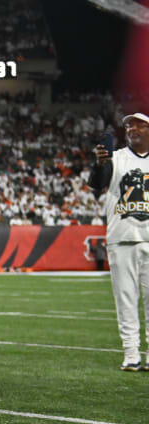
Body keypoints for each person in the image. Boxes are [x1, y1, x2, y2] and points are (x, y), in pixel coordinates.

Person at [89, 113, 149, 371]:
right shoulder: (115, 157)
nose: (131, 128)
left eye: (138, 124)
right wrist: (99, 164)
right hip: (122, 236)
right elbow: (96, 184)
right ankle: (131, 353)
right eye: (128, 125)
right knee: (125, 299)